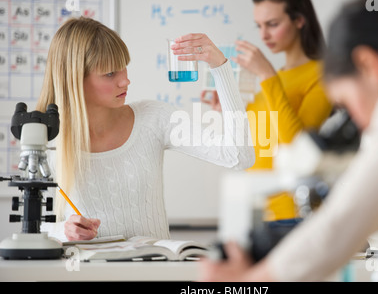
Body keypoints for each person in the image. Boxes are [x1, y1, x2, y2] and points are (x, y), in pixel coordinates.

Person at [199, 0, 378, 281]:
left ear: (369, 65)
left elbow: (350, 217)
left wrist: (246, 284)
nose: (361, 124)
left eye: (348, 103)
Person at [38, 17, 255, 242]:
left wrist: (220, 67)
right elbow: (34, 228)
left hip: (155, 272)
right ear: (74, 79)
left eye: (123, 67)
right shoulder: (45, 139)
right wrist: (62, 230)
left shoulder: (154, 117)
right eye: (110, 74)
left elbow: (239, 156)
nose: (125, 81)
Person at [201, 0, 333, 221]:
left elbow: (297, 146)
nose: (263, 35)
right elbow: (259, 139)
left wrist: (267, 75)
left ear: (299, 20)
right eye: (259, 26)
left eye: (272, 24)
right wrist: (228, 110)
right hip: (258, 209)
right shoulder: (275, 77)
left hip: (296, 214)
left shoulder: (321, 75)